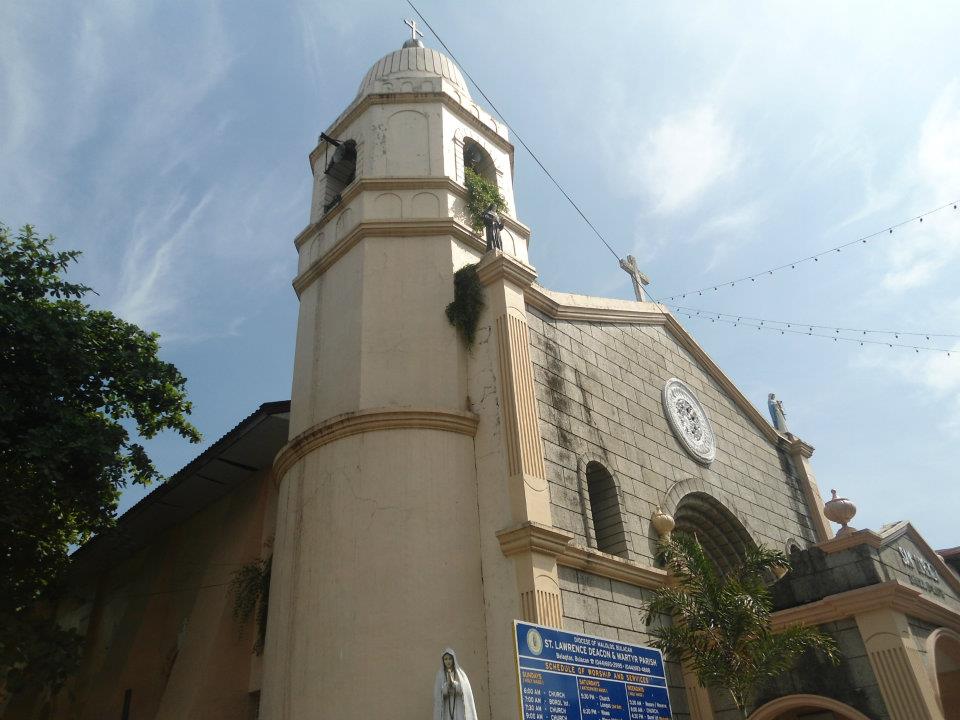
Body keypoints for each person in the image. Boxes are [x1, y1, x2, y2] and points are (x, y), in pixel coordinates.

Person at [433, 648, 478, 720]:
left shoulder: (460, 674)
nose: (448, 661)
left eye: (450, 659)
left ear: (453, 659)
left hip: (458, 705)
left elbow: (465, 691)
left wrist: (454, 684)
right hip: (446, 708)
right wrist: (446, 686)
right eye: (446, 659)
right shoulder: (440, 675)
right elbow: (438, 695)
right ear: (443, 661)